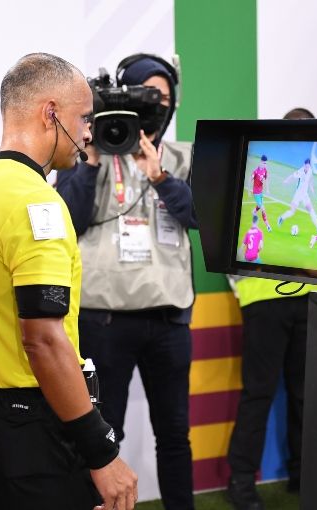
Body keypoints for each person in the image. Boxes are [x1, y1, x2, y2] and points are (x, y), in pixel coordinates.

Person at [0, 53, 138, 510]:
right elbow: (44, 340)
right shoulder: (39, 205)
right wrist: (101, 451)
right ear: (51, 113)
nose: (90, 132)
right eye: (84, 117)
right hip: (26, 433)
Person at [55, 54, 197, 510]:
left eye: (165, 100)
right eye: (146, 97)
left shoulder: (181, 157)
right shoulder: (84, 155)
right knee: (102, 436)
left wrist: (158, 175)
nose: (157, 108)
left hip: (169, 318)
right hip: (104, 321)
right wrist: (91, 160)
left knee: (175, 435)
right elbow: (67, 222)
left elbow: (200, 217)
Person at [225, 107, 317, 510]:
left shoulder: (313, 175)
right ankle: (241, 482)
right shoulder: (250, 172)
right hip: (264, 299)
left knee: (306, 394)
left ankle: (305, 474)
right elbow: (229, 233)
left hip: (313, 298)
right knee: (259, 393)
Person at [276, 158, 317, 233]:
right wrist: (286, 181)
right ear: (304, 165)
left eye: (308, 166)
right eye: (306, 166)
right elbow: (292, 176)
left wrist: (311, 187)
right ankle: (281, 218)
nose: (307, 168)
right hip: (298, 194)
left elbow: (311, 178)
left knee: (311, 209)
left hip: (305, 195)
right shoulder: (300, 171)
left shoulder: (310, 170)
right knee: (292, 211)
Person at [249, 155, 273, 231]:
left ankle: (253, 212)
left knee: (259, 206)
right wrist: (249, 190)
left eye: (266, 163)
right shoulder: (255, 171)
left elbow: (266, 179)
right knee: (263, 208)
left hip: (260, 192)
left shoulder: (265, 170)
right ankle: (268, 226)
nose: (265, 164)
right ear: (261, 162)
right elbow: (250, 180)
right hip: (256, 192)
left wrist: (267, 189)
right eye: (264, 163)